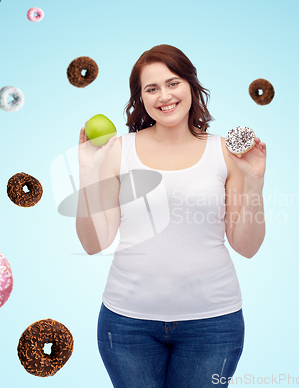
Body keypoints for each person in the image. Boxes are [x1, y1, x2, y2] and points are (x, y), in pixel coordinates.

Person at [76, 44, 266, 388]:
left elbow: (247, 246)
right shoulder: (118, 150)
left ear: (191, 85)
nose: (164, 95)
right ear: (141, 98)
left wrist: (253, 183)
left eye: (173, 82)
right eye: (152, 88)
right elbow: (94, 243)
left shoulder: (224, 151)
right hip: (126, 324)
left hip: (214, 325)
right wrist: (88, 172)